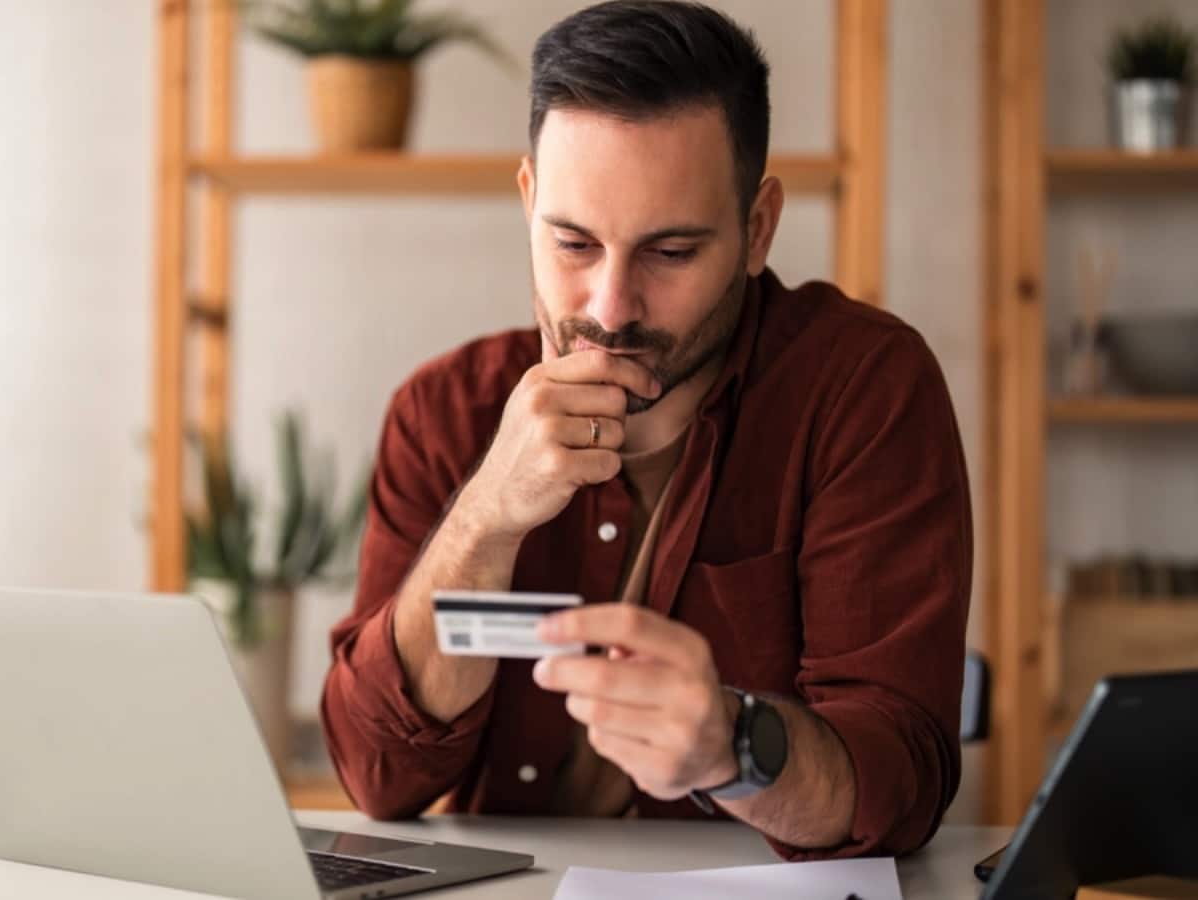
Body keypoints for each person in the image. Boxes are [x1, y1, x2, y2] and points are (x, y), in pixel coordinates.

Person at [320, 0, 972, 859]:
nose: (610, 309)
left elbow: (903, 781)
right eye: (573, 244)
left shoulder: (861, 391)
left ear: (757, 229)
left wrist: (733, 748)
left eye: (670, 253)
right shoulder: (444, 411)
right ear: (528, 202)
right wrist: (483, 517)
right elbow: (376, 773)